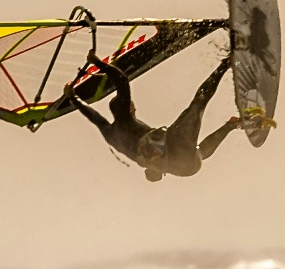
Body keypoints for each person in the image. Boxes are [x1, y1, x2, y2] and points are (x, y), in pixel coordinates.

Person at [66, 53, 241, 181]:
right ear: (128, 108)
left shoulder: (111, 135)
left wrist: (74, 98)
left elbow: (95, 118)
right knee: (198, 104)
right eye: (131, 105)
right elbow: (122, 81)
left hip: (185, 167)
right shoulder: (125, 119)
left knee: (198, 152)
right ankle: (225, 64)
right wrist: (97, 63)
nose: (134, 106)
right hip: (175, 149)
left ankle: (231, 125)